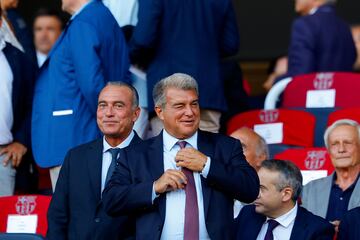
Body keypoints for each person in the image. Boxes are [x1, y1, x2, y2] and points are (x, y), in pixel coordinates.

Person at [103, 73, 259, 240]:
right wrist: (154, 187)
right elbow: (111, 200)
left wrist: (207, 166)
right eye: (180, 106)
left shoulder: (225, 146)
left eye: (194, 104)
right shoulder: (136, 154)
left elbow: (250, 189)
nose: (190, 112)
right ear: (160, 111)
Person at [31, 0, 130, 191]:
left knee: (74, 213)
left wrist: (107, 119)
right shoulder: (102, 16)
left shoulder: (84, 22)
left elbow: (91, 83)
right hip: (87, 135)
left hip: (75, 136)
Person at [47, 82, 141, 240]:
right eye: (102, 105)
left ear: (135, 114)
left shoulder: (150, 156)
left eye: (118, 106)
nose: (108, 113)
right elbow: (57, 216)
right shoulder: (75, 157)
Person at [130, 0, 239, 135]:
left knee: (169, 152)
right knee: (206, 153)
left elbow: (143, 40)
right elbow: (230, 45)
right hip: (207, 91)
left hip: (168, 92)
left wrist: (128, 56)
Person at [235, 159, 334, 240]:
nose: (255, 193)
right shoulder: (247, 214)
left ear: (286, 194)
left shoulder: (317, 229)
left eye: (261, 188)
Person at [0, 8, 35, 196]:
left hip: (3, 157)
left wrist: (22, 141)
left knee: (2, 223)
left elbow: (32, 103)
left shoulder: (17, 58)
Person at [302, 119, 360, 232]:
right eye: (335, 144)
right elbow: (302, 227)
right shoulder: (310, 189)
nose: (341, 149)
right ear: (328, 151)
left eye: (348, 143)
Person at [286, 0, 356, 77]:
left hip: (311, 87)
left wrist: (276, 81)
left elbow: (300, 74)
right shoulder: (344, 26)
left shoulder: (304, 24)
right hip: (341, 87)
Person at [231, 127, 269, 217]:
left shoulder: (274, 197)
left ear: (261, 157)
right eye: (227, 146)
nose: (230, 152)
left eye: (241, 147)